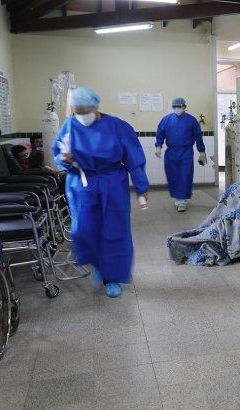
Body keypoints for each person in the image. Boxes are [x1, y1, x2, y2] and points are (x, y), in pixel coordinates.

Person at [53, 87, 149, 298]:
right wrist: (64, 160)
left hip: (112, 183)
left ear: (96, 107)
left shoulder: (118, 127)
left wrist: (141, 188)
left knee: (113, 230)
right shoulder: (70, 125)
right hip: (81, 184)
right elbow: (57, 153)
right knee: (84, 230)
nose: (82, 116)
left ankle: (112, 277)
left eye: (86, 111)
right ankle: (98, 264)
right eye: (78, 112)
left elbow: (134, 159)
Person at [155, 97, 206, 212]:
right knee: (173, 176)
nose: (176, 109)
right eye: (174, 107)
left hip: (186, 153)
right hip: (171, 153)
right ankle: (178, 198)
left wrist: (202, 152)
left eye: (179, 106)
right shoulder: (166, 120)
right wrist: (158, 147)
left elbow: (198, 137)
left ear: (184, 107)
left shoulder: (191, 121)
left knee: (185, 176)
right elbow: (160, 134)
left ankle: (182, 200)